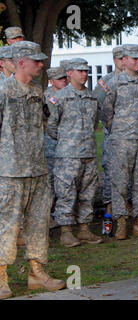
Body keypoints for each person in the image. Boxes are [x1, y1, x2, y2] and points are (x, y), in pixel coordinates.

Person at [0, 41, 65, 299]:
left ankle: (36, 273)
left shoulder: (37, 92)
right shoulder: (3, 92)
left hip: (38, 169)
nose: (42, 64)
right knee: (7, 225)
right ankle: (1, 276)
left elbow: (45, 123)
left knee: (38, 223)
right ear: (21, 62)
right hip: (10, 171)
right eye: (37, 61)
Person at [102, 44, 138, 239]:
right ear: (124, 60)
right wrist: (118, 131)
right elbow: (106, 113)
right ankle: (120, 223)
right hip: (120, 140)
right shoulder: (113, 83)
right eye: (134, 58)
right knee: (119, 182)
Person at [47, 58, 103, 247]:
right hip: (67, 155)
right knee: (66, 192)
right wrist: (67, 142)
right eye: (80, 71)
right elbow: (52, 126)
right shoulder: (59, 97)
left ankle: (84, 229)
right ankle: (66, 231)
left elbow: (94, 124)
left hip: (89, 153)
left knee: (88, 193)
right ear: (69, 73)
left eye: (86, 71)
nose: (84, 74)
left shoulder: (92, 97)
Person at [93, 46, 132, 216]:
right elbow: (96, 105)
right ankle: (110, 205)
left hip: (132, 134)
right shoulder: (106, 82)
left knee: (132, 171)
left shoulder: (136, 80)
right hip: (113, 135)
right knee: (110, 170)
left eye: (126, 58)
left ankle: (128, 204)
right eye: (120, 59)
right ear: (115, 60)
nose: (124, 62)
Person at [44, 67, 68, 225]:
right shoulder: (46, 97)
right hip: (51, 142)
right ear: (51, 81)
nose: (64, 81)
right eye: (60, 79)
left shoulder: (69, 94)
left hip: (68, 143)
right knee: (51, 179)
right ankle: (49, 214)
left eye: (65, 78)